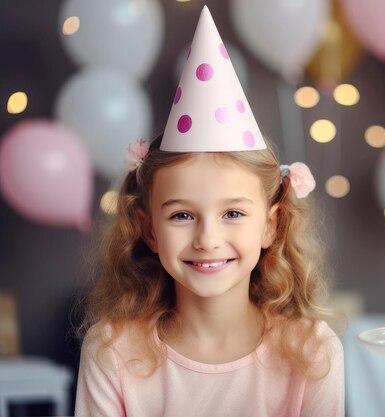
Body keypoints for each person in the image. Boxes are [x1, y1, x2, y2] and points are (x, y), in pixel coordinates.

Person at [74, 6, 344, 417]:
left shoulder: (311, 350)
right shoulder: (111, 349)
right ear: (148, 230)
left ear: (271, 225)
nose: (207, 239)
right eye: (181, 215)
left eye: (233, 214)